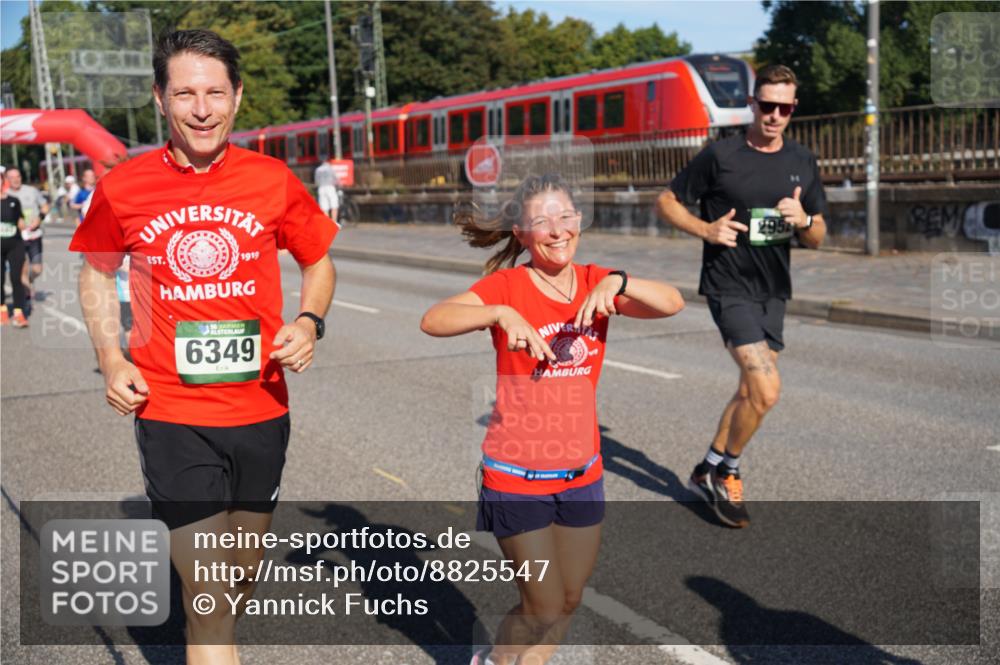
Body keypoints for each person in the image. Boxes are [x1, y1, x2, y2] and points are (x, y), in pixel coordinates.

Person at [70, 29, 337, 665]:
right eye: (184, 92)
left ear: (237, 98)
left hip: (261, 411)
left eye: (215, 92)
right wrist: (112, 359)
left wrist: (308, 322)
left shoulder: (272, 180)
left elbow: (318, 261)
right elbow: (95, 272)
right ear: (161, 100)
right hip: (171, 413)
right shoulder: (125, 186)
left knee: (241, 572)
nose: (201, 107)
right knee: (210, 598)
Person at [421, 174, 684, 665]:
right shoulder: (508, 285)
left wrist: (619, 280)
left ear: (579, 222)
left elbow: (672, 303)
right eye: (541, 222)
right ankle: (496, 660)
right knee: (541, 605)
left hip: (582, 473)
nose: (556, 230)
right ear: (522, 233)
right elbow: (434, 320)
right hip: (517, 477)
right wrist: (499, 314)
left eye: (565, 218)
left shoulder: (595, 282)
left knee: (568, 600)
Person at [655, 64, 827, 528]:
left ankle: (705, 469)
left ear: (793, 110)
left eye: (783, 108)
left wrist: (804, 220)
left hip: (774, 290)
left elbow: (819, 236)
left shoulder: (802, 161)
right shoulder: (720, 155)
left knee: (751, 391)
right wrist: (705, 229)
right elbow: (667, 200)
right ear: (752, 104)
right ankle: (727, 470)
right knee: (767, 388)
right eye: (766, 105)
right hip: (728, 286)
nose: (773, 115)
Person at [4, 167, 48, 316]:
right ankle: (26, 296)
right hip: (17, 238)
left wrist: (39, 219)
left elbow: (45, 206)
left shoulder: (31, 191)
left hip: (34, 235)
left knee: (37, 270)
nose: (16, 180)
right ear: (6, 179)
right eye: (12, 177)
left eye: (18, 176)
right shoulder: (5, 195)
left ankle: (28, 283)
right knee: (22, 270)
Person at [1, 182, 29, 327]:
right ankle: (2, 309)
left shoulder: (13, 201)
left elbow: (20, 220)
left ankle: (19, 313)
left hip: (15, 244)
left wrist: (23, 224)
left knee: (16, 277)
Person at [313, 158, 340, 224]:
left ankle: (328, 224)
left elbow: (316, 181)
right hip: (330, 187)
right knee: (334, 205)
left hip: (321, 188)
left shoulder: (318, 169)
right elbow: (335, 179)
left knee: (324, 207)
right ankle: (334, 222)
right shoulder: (330, 168)